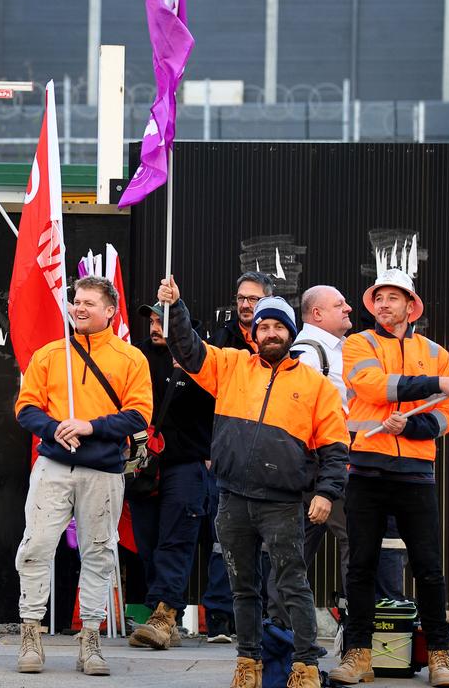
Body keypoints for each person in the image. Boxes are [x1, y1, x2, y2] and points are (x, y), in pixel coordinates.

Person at [158, 276, 348, 688]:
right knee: (243, 589)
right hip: (232, 499)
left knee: (292, 584)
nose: (271, 333)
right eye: (264, 327)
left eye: (279, 327)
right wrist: (176, 307)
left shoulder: (316, 386)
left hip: (283, 504)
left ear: (290, 333)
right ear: (255, 333)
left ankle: (305, 667)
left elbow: (335, 447)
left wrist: (327, 493)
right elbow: (188, 349)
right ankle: (248, 664)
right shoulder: (230, 365)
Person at [331, 269, 449, 688]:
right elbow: (374, 385)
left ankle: (440, 657)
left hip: (415, 473)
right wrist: (436, 384)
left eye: (394, 298)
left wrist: (411, 428)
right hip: (367, 469)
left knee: (429, 569)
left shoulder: (435, 352)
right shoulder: (359, 343)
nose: (385, 304)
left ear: (411, 306)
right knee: (360, 566)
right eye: (380, 298)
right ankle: (358, 656)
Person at [13, 276, 152, 677]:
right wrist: (53, 426)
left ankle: (90, 638)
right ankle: (30, 631)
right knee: (36, 545)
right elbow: (25, 408)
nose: (79, 308)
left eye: (90, 303)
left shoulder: (131, 359)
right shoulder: (49, 354)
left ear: (111, 311)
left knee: (99, 553)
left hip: (104, 471)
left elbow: (139, 413)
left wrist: (90, 426)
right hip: (53, 465)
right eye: (76, 301)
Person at [126, 302, 212, 650]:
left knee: (176, 539)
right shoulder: (132, 357)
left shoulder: (201, 357)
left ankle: (163, 615)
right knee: (147, 544)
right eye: (152, 320)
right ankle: (164, 612)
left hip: (186, 461)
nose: (155, 326)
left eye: (163, 320)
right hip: (144, 463)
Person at [267, 285, 353, 626]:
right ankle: (352, 632)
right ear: (317, 314)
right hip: (318, 464)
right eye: (340, 304)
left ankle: (279, 627)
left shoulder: (338, 349)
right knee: (350, 542)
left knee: (295, 548)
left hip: (324, 462)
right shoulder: (306, 353)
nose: (348, 308)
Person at [203, 271, 274, 643]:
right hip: (227, 455)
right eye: (241, 298)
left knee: (263, 541)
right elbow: (205, 399)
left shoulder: (281, 340)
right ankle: (218, 618)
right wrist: (209, 450)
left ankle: (258, 617)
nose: (245, 304)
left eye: (253, 298)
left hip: (267, 456)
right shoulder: (222, 339)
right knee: (223, 538)